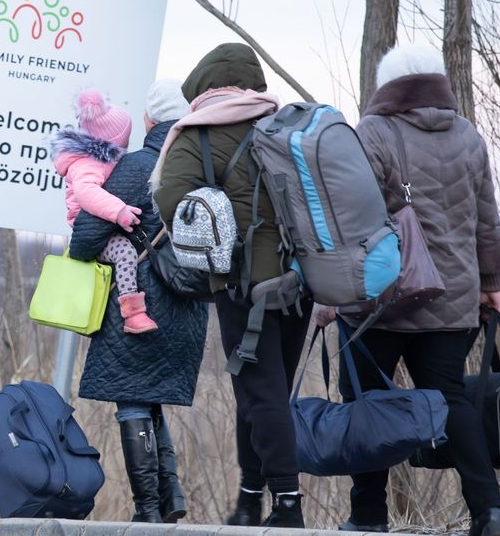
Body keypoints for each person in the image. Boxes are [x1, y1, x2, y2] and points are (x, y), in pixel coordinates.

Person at [316, 44, 500, 536]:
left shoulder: (373, 133)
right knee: (450, 398)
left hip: (380, 300)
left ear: (389, 86)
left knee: (366, 401)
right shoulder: (468, 135)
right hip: (453, 295)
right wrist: (491, 284)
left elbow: (347, 221)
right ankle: (489, 511)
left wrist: (328, 291)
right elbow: (487, 219)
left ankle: (368, 517)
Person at [153, 44, 311, 528]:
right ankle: (249, 498)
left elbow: (170, 200)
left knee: (259, 394)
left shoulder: (198, 134)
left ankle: (288, 506)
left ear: (203, 85)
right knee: (265, 393)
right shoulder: (286, 126)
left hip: (244, 287)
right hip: (301, 283)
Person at [68, 78, 208, 523]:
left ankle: (147, 510)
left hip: (141, 305)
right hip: (190, 306)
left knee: (133, 400)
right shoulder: (204, 170)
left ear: (149, 119)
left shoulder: (136, 166)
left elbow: (85, 238)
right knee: (152, 398)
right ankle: (172, 497)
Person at [50, 89, 152, 333]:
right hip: (87, 226)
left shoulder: (98, 157)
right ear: (110, 141)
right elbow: (86, 193)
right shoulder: (88, 162)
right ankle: (133, 314)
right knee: (125, 252)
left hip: (100, 222)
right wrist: (119, 211)